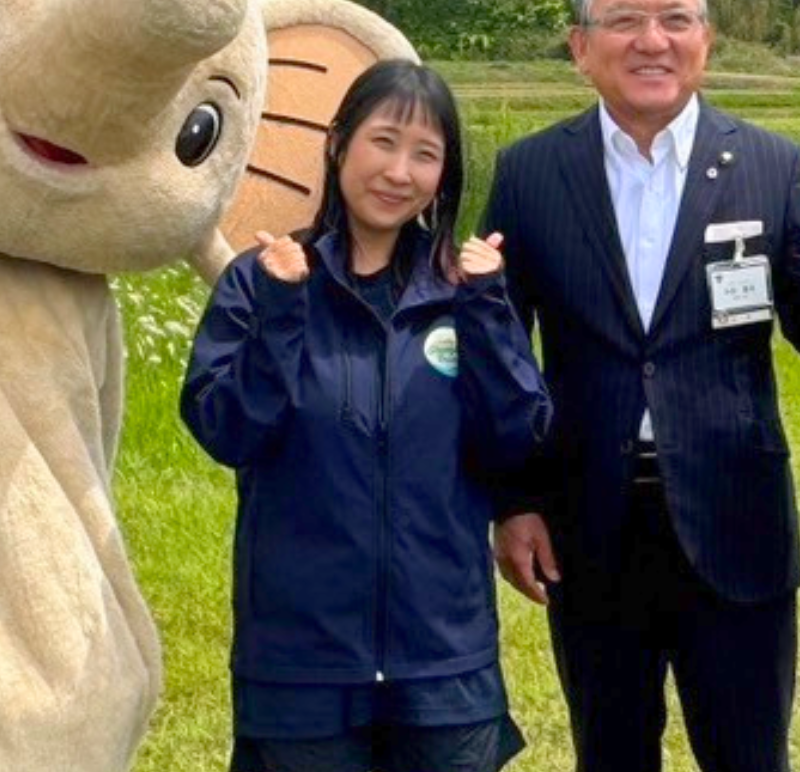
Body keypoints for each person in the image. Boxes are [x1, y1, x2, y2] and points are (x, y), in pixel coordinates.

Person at [480, 0, 800, 772]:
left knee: (749, 754)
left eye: (674, 19)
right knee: (611, 752)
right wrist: (512, 502)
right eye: (624, 21)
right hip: (590, 521)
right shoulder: (531, 171)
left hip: (737, 515)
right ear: (581, 46)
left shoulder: (773, 163)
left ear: (706, 38)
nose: (651, 41)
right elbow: (498, 350)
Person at [182, 59, 551, 772]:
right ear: (339, 143)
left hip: (443, 662)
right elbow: (228, 430)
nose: (398, 171)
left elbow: (516, 440)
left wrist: (485, 311)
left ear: (444, 176)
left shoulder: (462, 290)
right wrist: (284, 313)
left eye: (425, 154)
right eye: (383, 142)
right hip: (300, 663)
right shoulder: (263, 283)